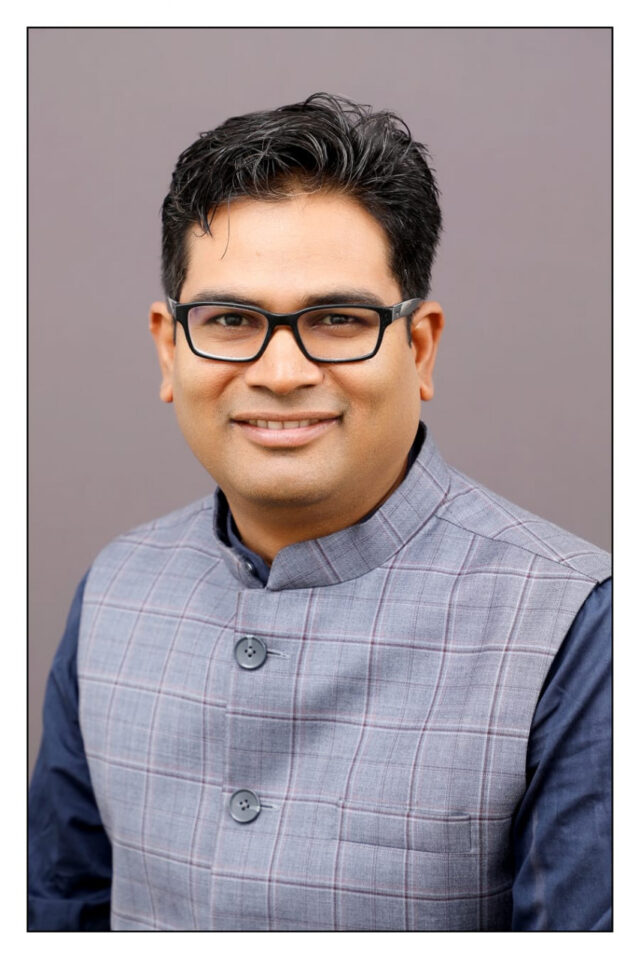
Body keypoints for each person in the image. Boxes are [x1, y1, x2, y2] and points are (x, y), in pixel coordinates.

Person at [28, 93, 611, 932]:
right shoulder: (116, 589)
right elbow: (56, 917)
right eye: (232, 319)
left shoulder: (578, 627)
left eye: (337, 319)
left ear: (419, 347)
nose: (282, 372)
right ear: (169, 346)